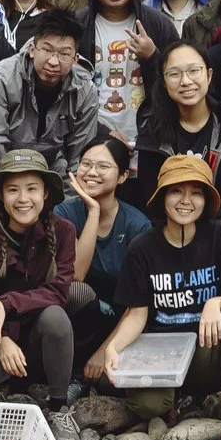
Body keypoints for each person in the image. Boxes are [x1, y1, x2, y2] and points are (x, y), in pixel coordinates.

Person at [97, 154, 221, 440]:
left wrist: (215, 302)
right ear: (162, 198)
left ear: (206, 200)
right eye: (176, 191)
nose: (186, 201)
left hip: (207, 351)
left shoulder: (219, 234)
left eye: (196, 192)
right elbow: (137, 313)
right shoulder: (143, 246)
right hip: (162, 356)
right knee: (147, 406)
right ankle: (177, 401)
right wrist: (113, 346)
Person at [0, 150, 77, 426]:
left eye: (32, 189)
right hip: (0, 338)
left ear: (45, 194)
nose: (23, 199)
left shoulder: (63, 231)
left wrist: (6, 302)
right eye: (13, 190)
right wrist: (1, 339)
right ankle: (5, 390)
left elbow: (59, 292)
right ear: (1, 196)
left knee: (56, 316)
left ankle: (59, 406)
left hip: (41, 336)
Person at [128, 41, 221, 246]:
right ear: (163, 82)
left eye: (193, 71)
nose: (186, 81)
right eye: (174, 74)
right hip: (170, 242)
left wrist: (203, 237)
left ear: (209, 75)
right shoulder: (152, 134)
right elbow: (152, 200)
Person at [0, 10, 101, 176]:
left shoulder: (85, 90)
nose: (54, 61)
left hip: (55, 172)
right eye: (47, 50)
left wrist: (70, 200)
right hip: (8, 171)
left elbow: (80, 159)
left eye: (64, 54)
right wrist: (8, 190)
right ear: (32, 49)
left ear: (75, 59)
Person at [62, 134, 150, 378]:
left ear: (123, 176)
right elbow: (76, 274)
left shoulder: (137, 226)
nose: (91, 172)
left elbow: (138, 304)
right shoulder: (64, 213)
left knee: (110, 381)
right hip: (77, 319)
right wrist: (92, 211)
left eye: (103, 166)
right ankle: (71, 374)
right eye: (86, 164)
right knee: (77, 292)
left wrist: (105, 350)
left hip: (122, 322)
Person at [73, 0, 176, 140]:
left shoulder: (158, 24)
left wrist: (152, 56)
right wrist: (102, 133)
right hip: (91, 134)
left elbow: (179, 81)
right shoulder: (78, 24)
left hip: (149, 133)